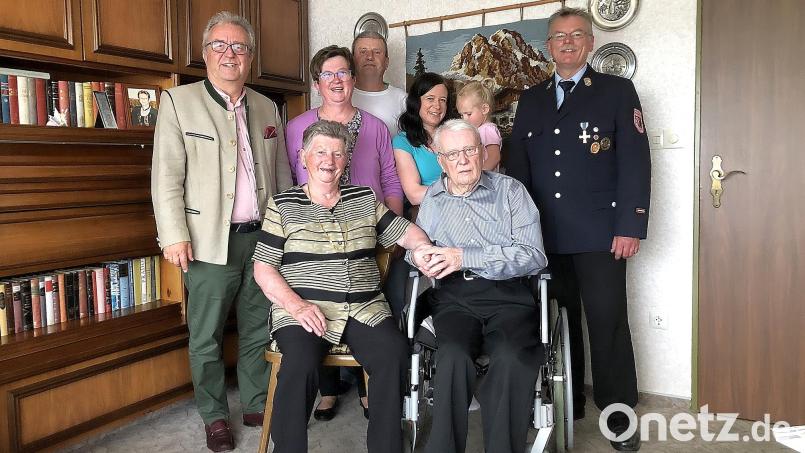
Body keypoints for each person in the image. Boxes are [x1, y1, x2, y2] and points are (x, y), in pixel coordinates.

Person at [507, 7, 651, 452]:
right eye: (558, 37)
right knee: (558, 323)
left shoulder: (616, 91)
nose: (567, 43)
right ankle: (571, 405)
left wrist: (631, 225)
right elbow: (518, 172)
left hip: (600, 233)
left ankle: (619, 416)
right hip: (545, 238)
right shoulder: (530, 99)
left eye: (576, 35)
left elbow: (635, 163)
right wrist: (519, 234)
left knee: (607, 322)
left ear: (589, 43)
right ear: (547, 46)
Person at [151, 11, 292, 452]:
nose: (230, 55)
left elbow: (283, 175)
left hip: (263, 238)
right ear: (206, 52)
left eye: (240, 47)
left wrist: (286, 232)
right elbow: (166, 177)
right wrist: (174, 234)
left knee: (257, 327)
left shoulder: (268, 106)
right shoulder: (178, 102)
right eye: (220, 46)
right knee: (206, 334)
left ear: (250, 56)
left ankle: (254, 402)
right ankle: (214, 415)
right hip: (207, 241)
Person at [253, 120, 434, 453]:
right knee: (300, 364)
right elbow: (263, 268)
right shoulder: (283, 205)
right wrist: (297, 306)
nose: (329, 160)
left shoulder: (363, 199)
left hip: (365, 306)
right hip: (305, 309)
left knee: (393, 355)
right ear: (303, 157)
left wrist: (422, 249)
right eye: (320, 151)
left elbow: (406, 232)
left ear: (346, 160)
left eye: (338, 153)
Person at [409, 119, 548, 453]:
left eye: (470, 150)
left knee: (512, 357)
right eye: (452, 153)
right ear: (440, 160)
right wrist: (420, 259)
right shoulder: (434, 199)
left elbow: (534, 255)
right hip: (454, 298)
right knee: (453, 355)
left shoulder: (511, 192)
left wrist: (465, 256)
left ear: (483, 152)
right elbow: (418, 249)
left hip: (509, 295)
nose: (462, 160)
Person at [284, 44, 404, 421]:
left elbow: (390, 180)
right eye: (328, 74)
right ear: (317, 83)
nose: (337, 80)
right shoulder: (296, 128)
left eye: (343, 73)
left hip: (369, 236)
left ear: (353, 80)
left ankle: (370, 388)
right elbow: (289, 182)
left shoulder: (375, 127)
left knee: (371, 311)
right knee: (316, 304)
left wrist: (392, 236)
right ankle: (328, 389)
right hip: (314, 244)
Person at [393, 72, 454, 207]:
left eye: (442, 100)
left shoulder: (455, 135)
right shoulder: (403, 142)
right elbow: (414, 195)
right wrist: (457, 189)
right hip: (430, 216)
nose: (437, 106)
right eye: (430, 98)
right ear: (416, 101)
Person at [350, 30, 407, 136]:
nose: (369, 57)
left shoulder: (402, 100)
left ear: (386, 62)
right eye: (363, 51)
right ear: (352, 60)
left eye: (377, 52)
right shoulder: (342, 97)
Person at [456, 80, 501, 171]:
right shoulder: (478, 130)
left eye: (468, 114)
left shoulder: (488, 130)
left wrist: (480, 176)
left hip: (487, 180)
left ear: (484, 109)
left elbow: (494, 157)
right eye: (461, 115)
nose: (464, 119)